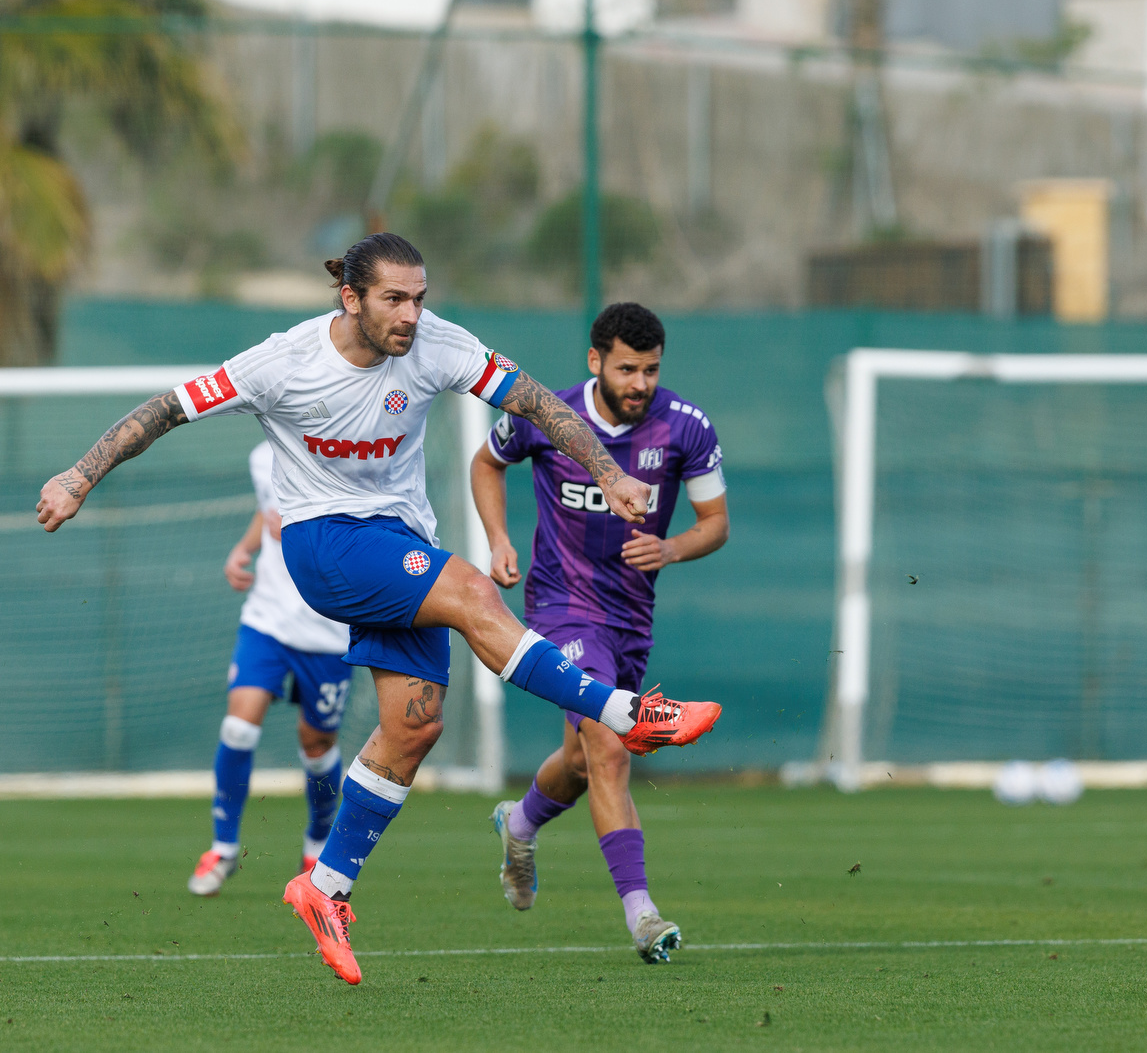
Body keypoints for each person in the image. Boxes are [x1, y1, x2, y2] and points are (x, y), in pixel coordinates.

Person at [35, 234, 721, 986]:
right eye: (394, 298)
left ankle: (323, 888)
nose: (410, 314)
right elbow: (166, 409)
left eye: (419, 297)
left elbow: (530, 399)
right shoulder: (284, 362)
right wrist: (79, 474)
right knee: (470, 592)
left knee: (414, 728)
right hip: (324, 544)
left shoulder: (434, 345)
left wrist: (605, 469)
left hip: (398, 541)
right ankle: (625, 714)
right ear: (350, 298)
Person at [472, 302, 728, 964]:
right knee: (611, 746)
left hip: (630, 617)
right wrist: (499, 539)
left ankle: (520, 823)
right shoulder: (550, 414)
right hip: (561, 606)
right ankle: (642, 915)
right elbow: (486, 463)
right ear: (596, 362)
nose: (640, 382)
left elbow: (715, 524)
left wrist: (672, 550)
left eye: (650, 369)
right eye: (626, 368)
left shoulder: (685, 427)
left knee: (585, 762)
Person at [189, 441, 352, 896]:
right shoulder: (261, 454)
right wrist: (242, 551)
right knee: (239, 725)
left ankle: (317, 845)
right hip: (266, 621)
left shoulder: (344, 451)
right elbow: (267, 509)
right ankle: (222, 849)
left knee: (316, 743)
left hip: (327, 632)